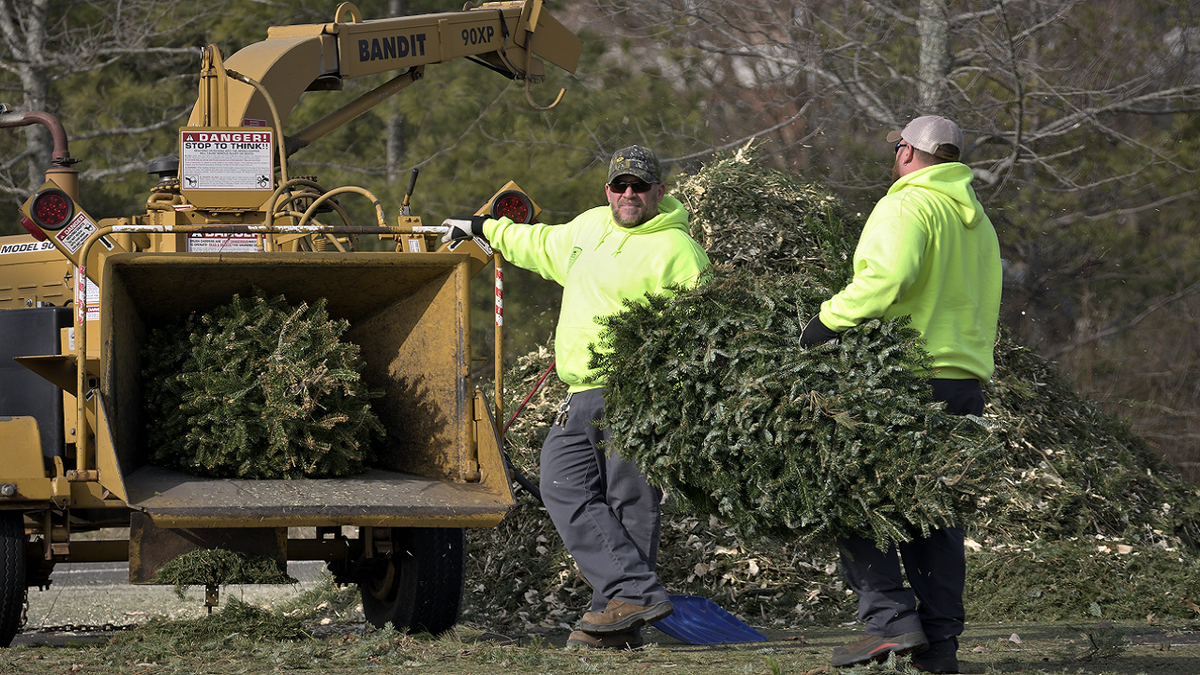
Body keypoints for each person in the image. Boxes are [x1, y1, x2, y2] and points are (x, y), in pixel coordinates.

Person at [441, 146, 711, 650]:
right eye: (620, 185)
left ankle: (616, 620)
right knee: (561, 484)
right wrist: (482, 229)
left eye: (640, 186)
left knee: (631, 503)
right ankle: (632, 595)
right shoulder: (588, 229)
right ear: (608, 190)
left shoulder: (680, 251)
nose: (629, 194)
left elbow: (699, 336)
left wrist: (676, 402)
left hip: (639, 392)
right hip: (581, 391)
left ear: (659, 191)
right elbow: (538, 242)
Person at [798, 116, 1002, 674]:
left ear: (909, 151)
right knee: (934, 512)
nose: (895, 155)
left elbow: (886, 278)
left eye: (897, 147)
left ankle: (888, 623)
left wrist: (823, 323)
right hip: (962, 383)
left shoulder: (907, 204)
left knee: (856, 493)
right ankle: (940, 646)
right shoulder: (976, 220)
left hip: (905, 377)